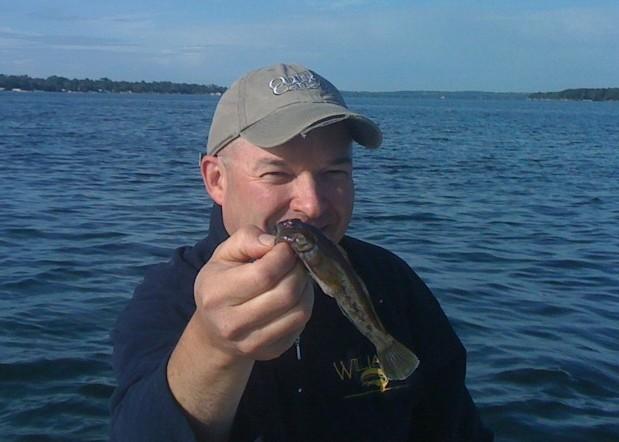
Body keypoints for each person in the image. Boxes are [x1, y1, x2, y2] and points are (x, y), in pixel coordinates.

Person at [110, 63, 493, 442]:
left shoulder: (394, 283)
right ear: (216, 180)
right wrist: (214, 347)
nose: (311, 205)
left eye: (334, 173)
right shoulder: (167, 296)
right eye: (277, 174)